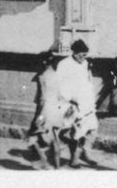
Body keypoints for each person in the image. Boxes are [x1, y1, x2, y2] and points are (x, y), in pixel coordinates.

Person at [55, 39, 99, 168]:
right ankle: (75, 158)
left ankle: (84, 153)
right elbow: (59, 85)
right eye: (81, 54)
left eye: (85, 55)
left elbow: (87, 82)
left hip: (86, 103)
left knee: (93, 130)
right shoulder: (64, 64)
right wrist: (70, 99)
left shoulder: (85, 63)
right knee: (77, 132)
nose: (83, 57)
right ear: (74, 52)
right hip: (71, 104)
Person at [28, 52, 64, 169]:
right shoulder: (57, 75)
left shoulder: (42, 76)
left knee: (34, 136)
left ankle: (44, 162)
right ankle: (57, 167)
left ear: (43, 62)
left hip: (45, 110)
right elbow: (60, 96)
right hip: (56, 110)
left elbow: (42, 98)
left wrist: (37, 116)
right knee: (55, 139)